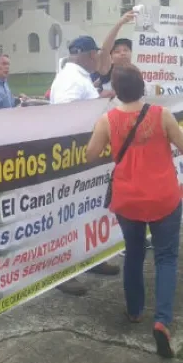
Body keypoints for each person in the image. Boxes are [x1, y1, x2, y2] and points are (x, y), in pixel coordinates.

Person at [83, 64, 183, 359]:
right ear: (143, 85)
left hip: (128, 199)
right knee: (166, 257)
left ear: (116, 91)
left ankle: (134, 311)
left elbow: (90, 154)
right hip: (163, 197)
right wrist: (178, 134)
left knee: (133, 253)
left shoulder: (107, 120)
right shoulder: (162, 115)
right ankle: (162, 320)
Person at [48, 35, 121, 295]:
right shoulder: (70, 79)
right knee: (67, 216)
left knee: (85, 212)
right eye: (95, 56)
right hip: (73, 158)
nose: (97, 60)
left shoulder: (78, 76)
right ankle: (63, 273)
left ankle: (89, 259)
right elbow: (68, 115)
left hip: (86, 157)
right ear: (89, 55)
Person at [95, 11, 137, 98]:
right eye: (117, 51)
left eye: (126, 50)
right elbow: (105, 50)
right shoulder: (106, 73)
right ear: (111, 58)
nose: (122, 53)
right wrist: (120, 23)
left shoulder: (139, 71)